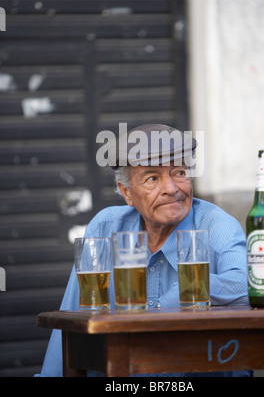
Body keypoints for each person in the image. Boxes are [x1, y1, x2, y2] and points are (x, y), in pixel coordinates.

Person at [35, 124, 250, 377]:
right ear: (127, 193)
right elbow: (71, 321)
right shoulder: (106, 227)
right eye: (152, 178)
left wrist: (177, 297)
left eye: (179, 172)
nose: (171, 188)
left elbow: (249, 285)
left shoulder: (216, 224)